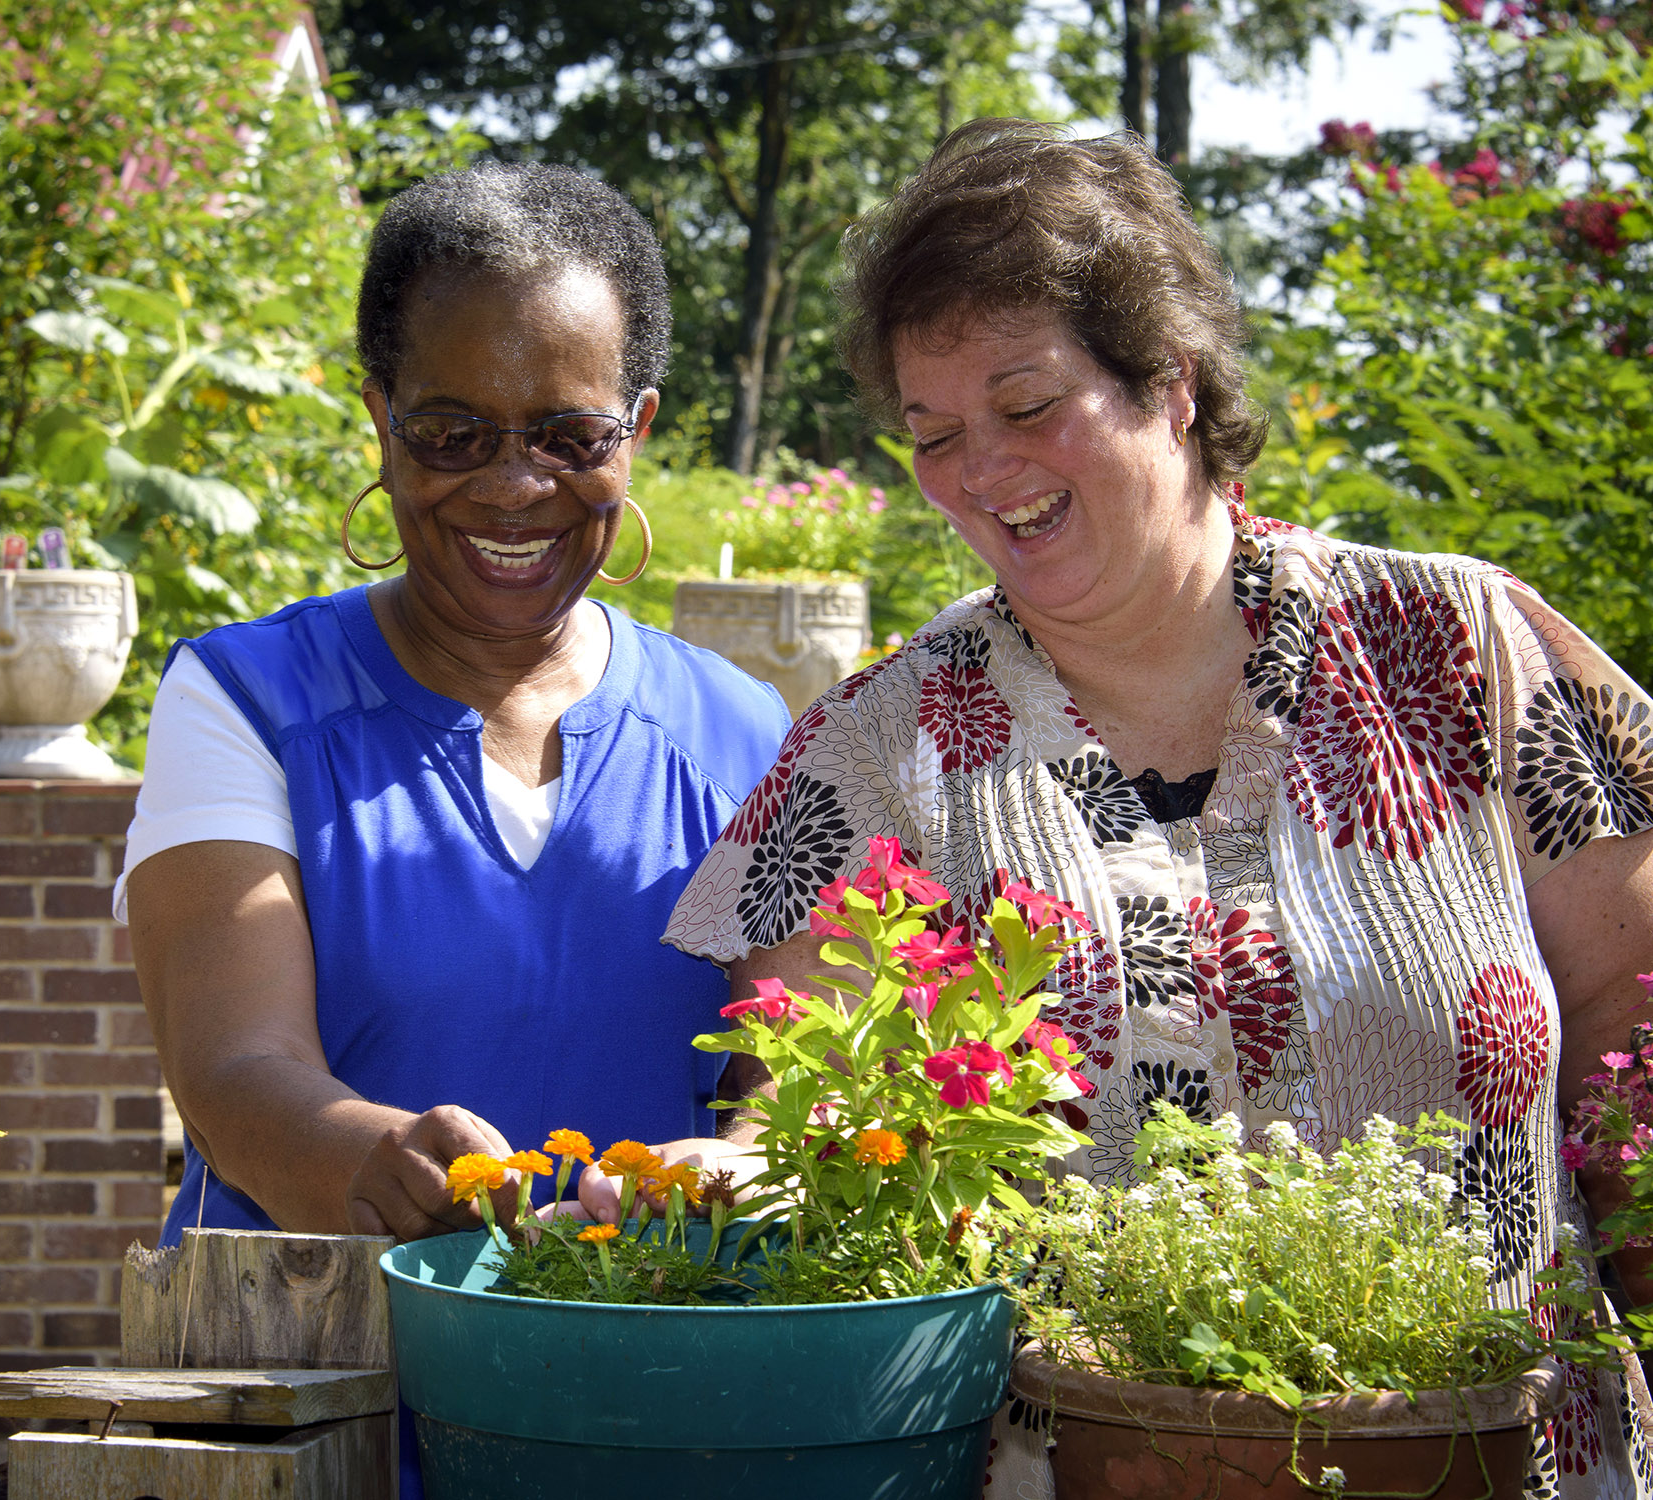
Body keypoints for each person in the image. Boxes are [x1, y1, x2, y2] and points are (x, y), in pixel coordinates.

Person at [659, 119, 1653, 1496]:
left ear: (1171, 383)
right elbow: (810, 1101)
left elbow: (1632, 1047)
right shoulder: (879, 751)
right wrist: (732, 1175)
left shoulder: (1457, 646)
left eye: (1025, 404)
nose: (977, 470)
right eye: (931, 433)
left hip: (1505, 1464)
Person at [118, 161, 791, 1259]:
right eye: (451, 432)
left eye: (571, 436)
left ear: (638, 430)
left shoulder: (744, 732)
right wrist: (367, 1159)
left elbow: (794, 1080)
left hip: (647, 1391)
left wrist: (747, 1159)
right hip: (318, 1396)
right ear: (380, 418)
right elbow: (231, 1070)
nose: (514, 485)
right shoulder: (245, 702)